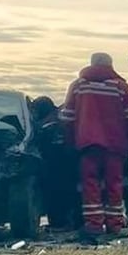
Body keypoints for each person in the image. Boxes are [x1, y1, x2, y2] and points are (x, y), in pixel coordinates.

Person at [60, 53, 128, 240]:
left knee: (90, 185)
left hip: (87, 144)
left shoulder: (79, 86)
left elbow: (67, 117)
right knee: (114, 184)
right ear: (110, 65)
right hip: (115, 145)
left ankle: (94, 224)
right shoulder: (121, 87)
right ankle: (114, 224)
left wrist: (69, 142)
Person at [30, 95, 80, 231]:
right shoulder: (60, 119)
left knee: (56, 194)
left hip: (55, 166)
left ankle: (61, 224)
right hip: (71, 164)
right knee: (70, 194)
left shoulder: (47, 125)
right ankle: (68, 222)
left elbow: (44, 147)